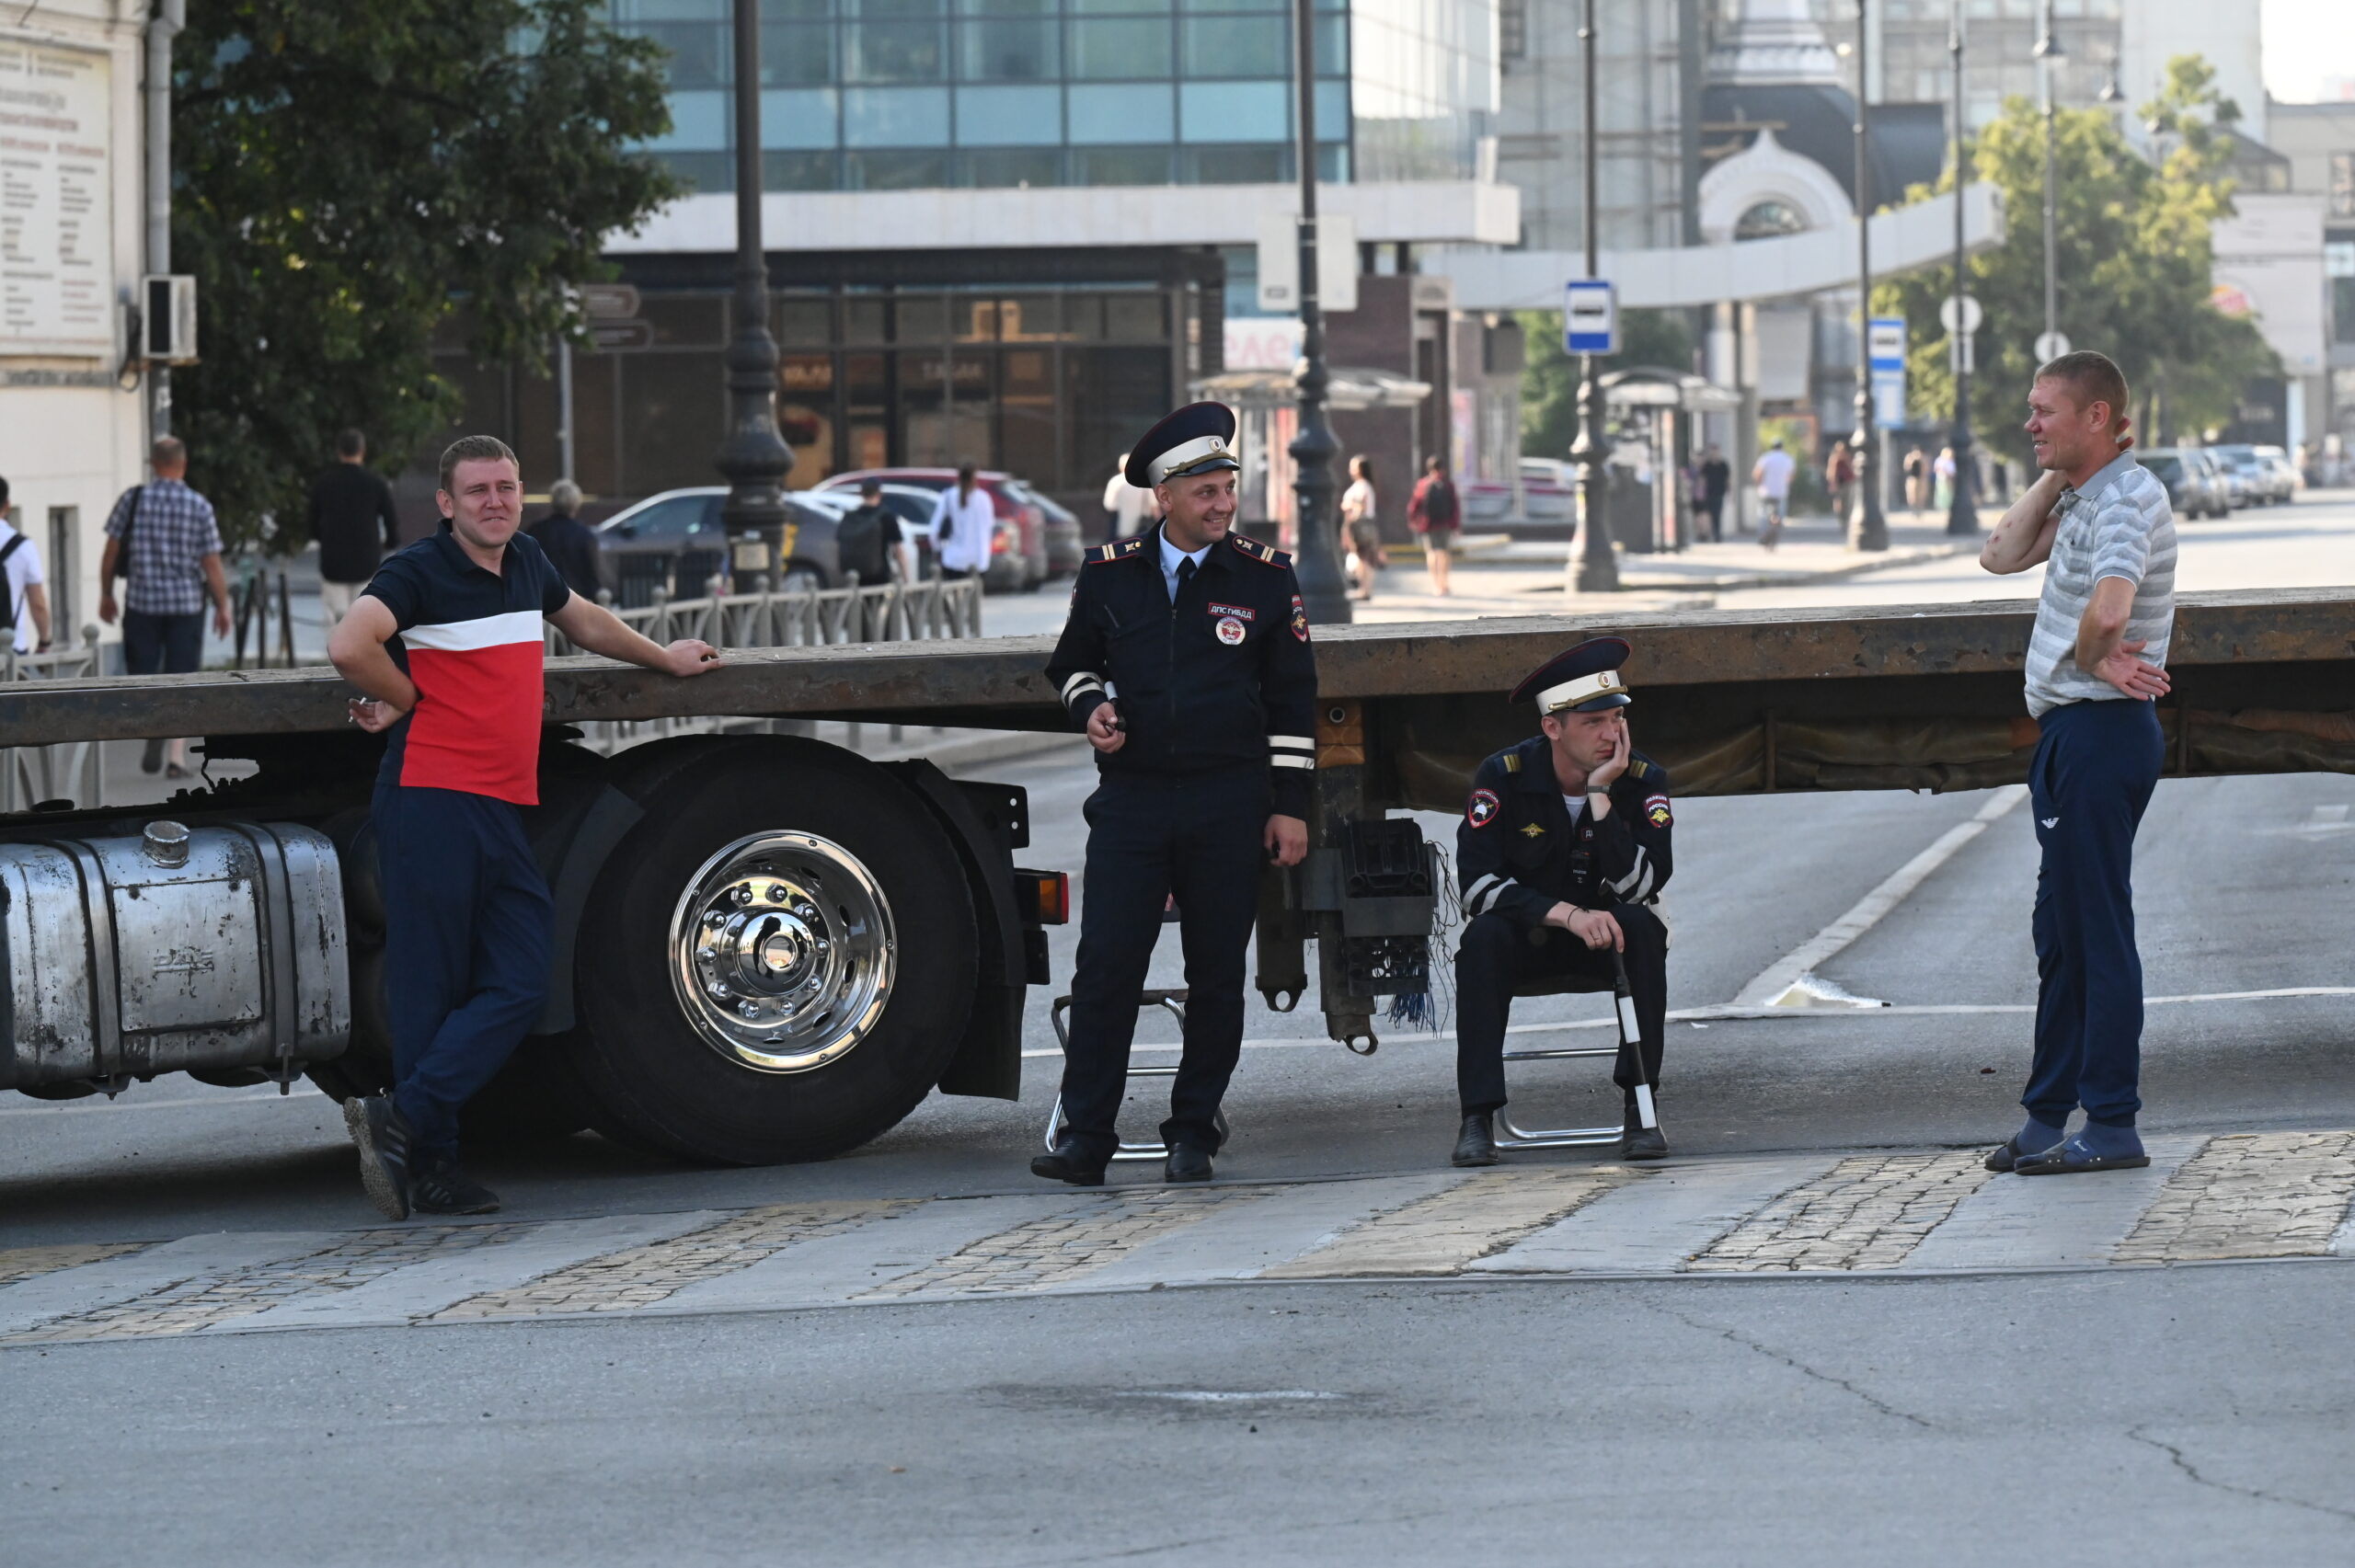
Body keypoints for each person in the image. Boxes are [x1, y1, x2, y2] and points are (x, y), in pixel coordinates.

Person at [330, 435, 719, 1219]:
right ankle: (432, 1166)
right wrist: (405, 699)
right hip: (431, 800)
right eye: (477, 490)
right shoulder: (419, 570)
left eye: (507, 486)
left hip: (499, 803)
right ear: (446, 503)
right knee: (429, 993)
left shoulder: (530, 562)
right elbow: (350, 642)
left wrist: (664, 659)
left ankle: (406, 1117)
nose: (495, 500)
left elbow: (589, 623)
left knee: (519, 979)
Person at [1039, 402, 1316, 1186]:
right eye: (1206, 492)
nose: (1224, 504)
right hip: (1131, 801)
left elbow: (1294, 701)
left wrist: (1288, 805)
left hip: (1228, 801)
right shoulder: (1109, 573)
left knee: (1215, 974)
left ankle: (1192, 1131)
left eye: (1228, 487)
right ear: (1164, 496)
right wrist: (1090, 706)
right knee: (1105, 970)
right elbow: (1070, 665)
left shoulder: (1264, 577)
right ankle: (1085, 1138)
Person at [1976, 350, 2172, 1177]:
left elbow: (2114, 604)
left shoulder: (2126, 499)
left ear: (2097, 417)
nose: (2030, 424)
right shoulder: (2087, 493)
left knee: (2096, 930)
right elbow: (2000, 553)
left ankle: (2113, 1124)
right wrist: (2058, 477)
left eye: (2045, 411)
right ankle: (2047, 1114)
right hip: (2074, 735)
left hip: (2100, 733)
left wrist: (2096, 661)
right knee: (2059, 933)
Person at [1451, 636, 1674, 1167]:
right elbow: (1475, 886)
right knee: (1481, 940)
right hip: (1528, 940)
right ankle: (1476, 1118)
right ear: (1553, 727)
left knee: (1643, 927)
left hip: (1606, 945)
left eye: (1616, 719)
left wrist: (1601, 796)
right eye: (1592, 722)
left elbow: (1642, 887)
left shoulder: (1643, 782)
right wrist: (1567, 915)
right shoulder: (1502, 777)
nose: (1610, 733)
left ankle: (1640, 1105)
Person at [98, 437, 233, 778]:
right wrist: (223, 605)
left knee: (144, 676)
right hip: (185, 606)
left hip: (142, 604)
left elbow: (111, 552)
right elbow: (211, 563)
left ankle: (153, 727)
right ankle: (175, 757)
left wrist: (106, 593)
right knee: (182, 680)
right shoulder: (198, 505)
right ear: (183, 465)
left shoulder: (132, 500)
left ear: (153, 464)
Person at [306, 429, 402, 632]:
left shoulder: (324, 483)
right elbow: (391, 522)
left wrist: (323, 538)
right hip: (367, 561)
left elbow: (312, 523)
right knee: (363, 623)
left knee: (336, 623)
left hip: (333, 561)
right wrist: (387, 545)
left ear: (338, 450)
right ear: (362, 450)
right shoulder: (376, 483)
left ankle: (336, 661)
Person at [0, 475, 54, 658]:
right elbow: (38, 603)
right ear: (7, 504)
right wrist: (44, 641)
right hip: (12, 648)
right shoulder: (23, 547)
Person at [523, 479, 603, 601]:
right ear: (576, 503)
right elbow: (592, 575)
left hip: (541, 600)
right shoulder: (584, 535)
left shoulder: (535, 530)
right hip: (575, 601)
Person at [834, 478, 905, 587]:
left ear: (861, 493)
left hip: (853, 577)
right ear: (879, 494)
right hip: (879, 576)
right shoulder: (886, 517)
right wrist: (905, 577)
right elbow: (899, 550)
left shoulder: (850, 517)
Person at [1407, 455, 1461, 597]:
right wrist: (1455, 526)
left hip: (1428, 524)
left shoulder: (1423, 484)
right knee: (1444, 553)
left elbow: (1414, 504)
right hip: (1445, 524)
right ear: (1442, 468)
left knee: (1431, 553)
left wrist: (1413, 520)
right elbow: (1455, 506)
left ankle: (1435, 583)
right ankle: (1444, 583)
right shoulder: (1448, 484)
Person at [930, 463, 994, 581]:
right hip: (978, 558)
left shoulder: (948, 496)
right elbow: (989, 526)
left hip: (953, 558)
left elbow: (935, 527)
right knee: (973, 596)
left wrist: (937, 548)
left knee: (953, 594)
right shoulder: (984, 498)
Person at [1340, 454, 1382, 601]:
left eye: (1354, 466)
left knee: (1364, 557)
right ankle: (1364, 588)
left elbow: (1361, 505)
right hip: (1360, 524)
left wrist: (1350, 506)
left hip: (1362, 524)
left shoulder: (1363, 486)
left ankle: (1365, 589)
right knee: (1362, 557)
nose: (1350, 470)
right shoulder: (1361, 486)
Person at [1101, 454, 1161, 542]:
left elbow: (1109, 506)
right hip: (1142, 529)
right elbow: (1154, 506)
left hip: (1121, 530)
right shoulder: (1144, 482)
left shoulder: (1114, 482)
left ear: (1120, 466)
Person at [1751, 439, 1796, 549]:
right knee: (1779, 515)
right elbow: (1790, 477)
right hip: (1781, 492)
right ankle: (1774, 531)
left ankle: (1766, 533)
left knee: (1764, 514)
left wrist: (1759, 485)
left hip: (1766, 491)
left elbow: (1757, 474)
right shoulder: (1788, 459)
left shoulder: (1765, 458)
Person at [1696, 445, 1730, 542]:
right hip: (1708, 493)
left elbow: (1728, 479)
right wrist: (1700, 492)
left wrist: (1730, 492)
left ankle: (1717, 534)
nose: (1714, 454)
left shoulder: (1723, 465)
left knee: (1717, 514)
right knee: (1707, 514)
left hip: (1719, 492)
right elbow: (1702, 480)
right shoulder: (1707, 465)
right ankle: (1706, 533)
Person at [1825, 439, 1855, 526]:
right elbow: (1831, 471)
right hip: (1838, 483)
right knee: (1839, 501)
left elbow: (1852, 468)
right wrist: (1832, 483)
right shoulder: (1834, 458)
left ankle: (1847, 518)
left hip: (1848, 481)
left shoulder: (1847, 457)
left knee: (1848, 501)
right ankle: (1841, 518)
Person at [1903, 447, 1929, 514]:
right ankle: (1913, 509)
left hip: (1922, 478)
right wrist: (1912, 460)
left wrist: (1922, 460)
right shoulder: (1909, 457)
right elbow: (1906, 468)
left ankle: (1920, 509)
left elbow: (1926, 469)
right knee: (1912, 495)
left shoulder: (1924, 458)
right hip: (1912, 479)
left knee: (1921, 495)